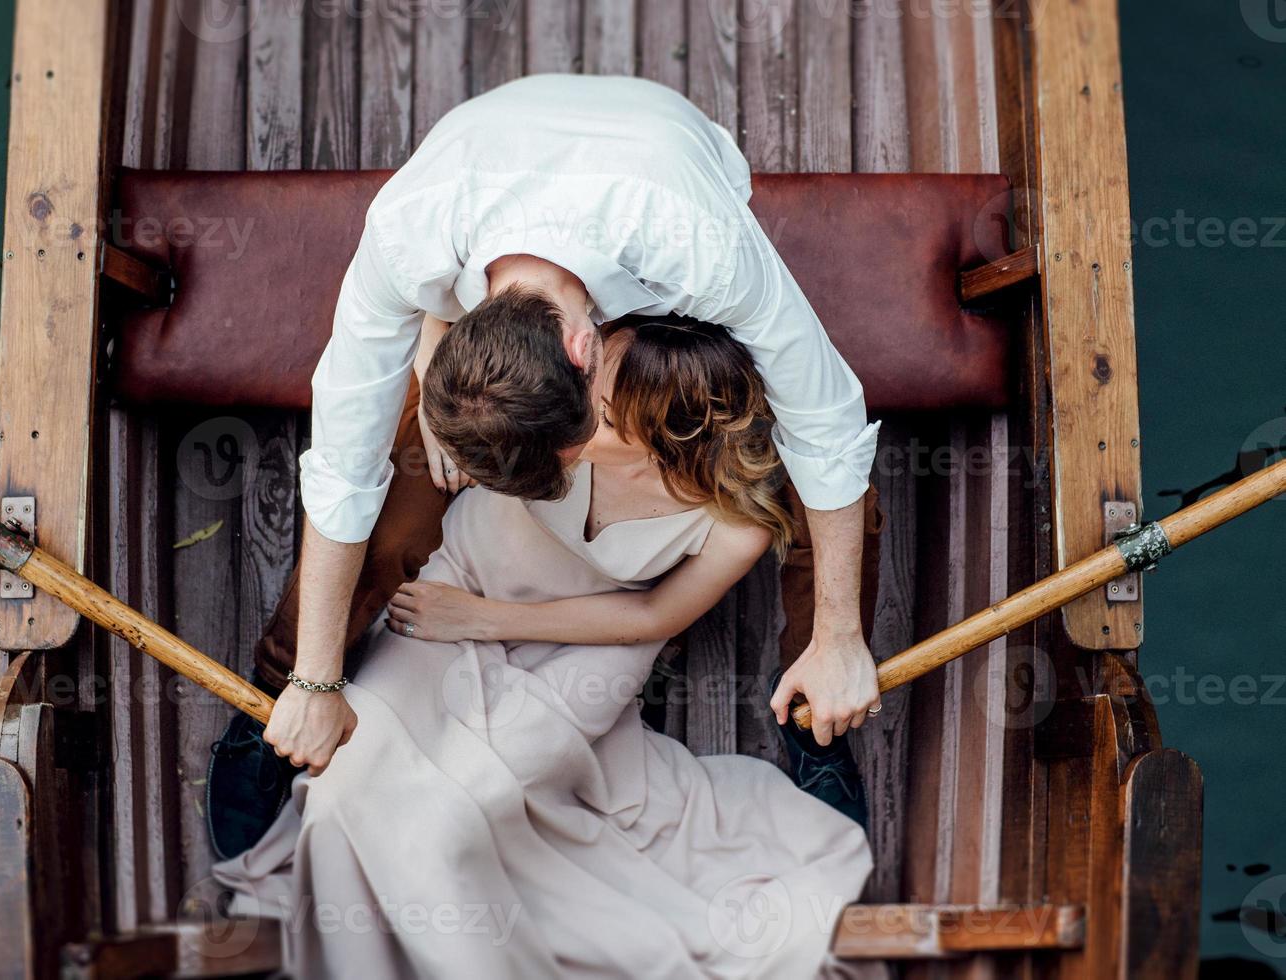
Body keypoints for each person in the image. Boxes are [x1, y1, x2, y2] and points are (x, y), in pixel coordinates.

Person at [207, 73, 885, 858]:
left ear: (588, 352)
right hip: (487, 181)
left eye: (578, 449)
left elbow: (829, 421)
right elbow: (340, 471)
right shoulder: (406, 240)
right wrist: (317, 681)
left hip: (660, 181)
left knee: (826, 488)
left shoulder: (700, 250)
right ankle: (272, 688)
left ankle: (820, 706)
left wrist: (841, 630)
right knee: (392, 476)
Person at [213, 319, 878, 979]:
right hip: (457, 583)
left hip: (589, 643)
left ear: (662, 445)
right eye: (586, 388)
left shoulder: (734, 521)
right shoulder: (555, 384)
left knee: (463, 815)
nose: (573, 413)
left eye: (607, 420)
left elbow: (652, 613)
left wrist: (485, 620)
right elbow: (431, 302)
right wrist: (439, 396)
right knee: (344, 785)